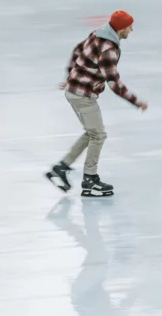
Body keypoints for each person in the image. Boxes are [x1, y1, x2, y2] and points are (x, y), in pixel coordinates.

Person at [46, 10, 147, 197]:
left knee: (92, 133)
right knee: (98, 135)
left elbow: (77, 50)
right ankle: (90, 180)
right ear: (120, 28)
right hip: (83, 96)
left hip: (74, 91)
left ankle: (61, 167)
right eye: (129, 27)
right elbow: (114, 84)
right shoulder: (109, 50)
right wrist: (136, 102)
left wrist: (70, 76)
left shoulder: (97, 34)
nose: (131, 30)